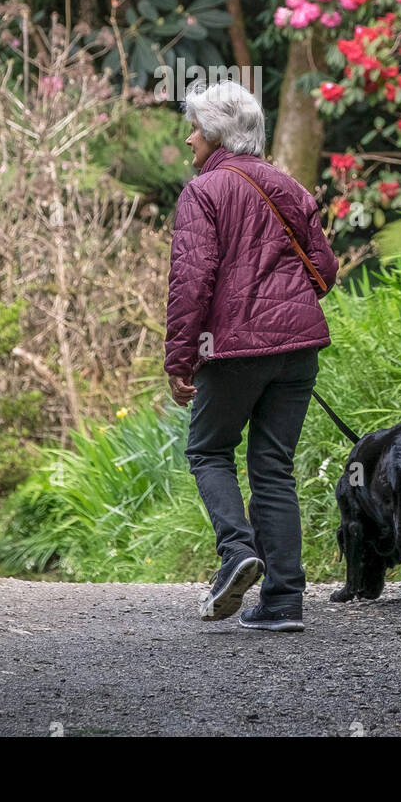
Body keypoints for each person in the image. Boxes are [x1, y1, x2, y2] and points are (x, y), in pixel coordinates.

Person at [164, 78, 338, 632]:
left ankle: (237, 552)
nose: (189, 139)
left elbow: (191, 282)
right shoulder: (289, 187)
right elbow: (326, 272)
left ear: (215, 134)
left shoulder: (204, 192)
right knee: (273, 467)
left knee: (207, 449)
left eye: (194, 127)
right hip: (298, 348)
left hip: (235, 348)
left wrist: (179, 358)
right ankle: (284, 603)